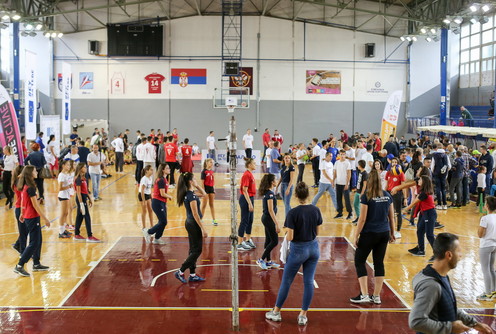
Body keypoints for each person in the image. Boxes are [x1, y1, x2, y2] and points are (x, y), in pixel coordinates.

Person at [409, 233, 492, 334]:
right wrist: (450, 328)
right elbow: (416, 322)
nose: (461, 255)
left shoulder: (441, 276)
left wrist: (474, 324)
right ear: (449, 255)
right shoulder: (431, 286)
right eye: (459, 251)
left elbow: (449, 308)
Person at [265, 182, 322, 326]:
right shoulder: (316, 210)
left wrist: (286, 231)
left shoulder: (292, 213)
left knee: (287, 281)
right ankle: (303, 315)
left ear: (296, 195)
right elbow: (318, 233)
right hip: (313, 248)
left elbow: (290, 237)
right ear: (308, 194)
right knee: (308, 282)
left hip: (298, 250)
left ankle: (276, 312)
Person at [350, 169, 395, 304]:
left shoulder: (366, 196)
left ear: (369, 181)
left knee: (359, 261)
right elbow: (391, 216)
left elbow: (362, 219)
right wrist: (392, 233)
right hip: (383, 233)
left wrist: (356, 235)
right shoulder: (387, 195)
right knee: (379, 263)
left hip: (369, 233)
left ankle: (364, 294)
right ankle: (376, 296)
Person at [13, 165, 51, 277]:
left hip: (28, 216)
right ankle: (19, 265)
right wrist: (46, 218)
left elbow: (23, 201)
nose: (36, 171)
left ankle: (36, 263)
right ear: (30, 173)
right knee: (34, 242)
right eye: (34, 170)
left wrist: (21, 213)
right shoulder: (31, 188)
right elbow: (35, 206)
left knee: (38, 240)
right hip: (33, 217)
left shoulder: (26, 186)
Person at [174, 172, 208, 283]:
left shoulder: (188, 193)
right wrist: (203, 228)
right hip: (193, 224)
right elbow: (195, 214)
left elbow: (204, 194)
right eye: (194, 179)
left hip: (190, 223)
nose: (195, 180)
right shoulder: (191, 196)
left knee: (193, 250)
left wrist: (197, 185)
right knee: (197, 250)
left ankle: (192, 274)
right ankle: (180, 271)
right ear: (190, 181)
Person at [403, 176, 437, 259]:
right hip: (423, 213)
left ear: (424, 182)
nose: (419, 180)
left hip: (429, 213)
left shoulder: (424, 193)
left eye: (420, 179)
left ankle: (438, 254)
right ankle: (421, 250)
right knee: (420, 231)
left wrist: (406, 209)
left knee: (429, 235)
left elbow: (415, 202)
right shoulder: (422, 190)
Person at [142, 164, 173, 244]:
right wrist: (170, 196)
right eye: (167, 168)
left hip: (162, 202)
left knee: (162, 222)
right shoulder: (161, 180)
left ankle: (157, 238)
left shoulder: (165, 179)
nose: (169, 169)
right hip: (157, 202)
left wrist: (165, 203)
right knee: (163, 221)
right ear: (162, 170)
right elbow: (162, 194)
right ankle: (149, 232)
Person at [257, 174, 281, 270]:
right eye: (275, 179)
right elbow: (271, 210)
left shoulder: (268, 192)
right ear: (272, 182)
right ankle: (261, 259)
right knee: (275, 241)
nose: (277, 180)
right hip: (268, 219)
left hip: (266, 219)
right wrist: (277, 224)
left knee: (268, 240)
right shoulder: (270, 194)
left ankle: (269, 261)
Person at [73, 163, 101, 243]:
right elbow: (78, 192)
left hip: (84, 197)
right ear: (80, 168)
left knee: (80, 217)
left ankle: (76, 234)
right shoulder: (78, 179)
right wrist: (81, 204)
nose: (86, 168)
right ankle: (90, 236)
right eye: (84, 167)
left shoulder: (84, 178)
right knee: (87, 216)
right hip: (80, 199)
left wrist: (89, 198)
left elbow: (86, 190)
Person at [477, 196, 496, 301]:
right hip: (494, 245)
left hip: (485, 246)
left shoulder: (484, 218)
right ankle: (494, 291)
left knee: (486, 270)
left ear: (487, 205)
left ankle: (488, 294)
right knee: (492, 268)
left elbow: (480, 235)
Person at [238, 158, 257, 251]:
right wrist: (249, 203)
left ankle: (248, 239)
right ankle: (240, 242)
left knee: (250, 220)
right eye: (254, 163)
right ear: (249, 165)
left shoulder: (250, 174)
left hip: (250, 198)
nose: (255, 164)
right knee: (244, 220)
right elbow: (245, 190)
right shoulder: (246, 175)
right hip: (246, 199)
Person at [385, 157, 405, 239]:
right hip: (389, 194)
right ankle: (391, 229)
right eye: (393, 162)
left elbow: (403, 186)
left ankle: (398, 230)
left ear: (398, 163)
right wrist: (384, 193)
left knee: (398, 212)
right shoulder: (388, 173)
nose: (394, 163)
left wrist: (406, 198)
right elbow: (387, 185)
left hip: (398, 194)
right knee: (390, 213)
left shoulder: (401, 173)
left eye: (395, 162)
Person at [11, 166, 27, 254]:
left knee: (25, 230)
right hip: (20, 208)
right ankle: (23, 252)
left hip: (21, 208)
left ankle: (18, 245)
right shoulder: (19, 183)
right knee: (23, 231)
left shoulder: (18, 182)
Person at [57, 160, 74, 238]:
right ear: (63, 165)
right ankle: (61, 232)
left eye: (69, 165)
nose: (69, 167)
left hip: (66, 195)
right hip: (63, 195)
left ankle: (64, 229)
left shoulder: (66, 174)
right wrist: (68, 186)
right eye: (67, 165)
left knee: (66, 213)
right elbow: (60, 188)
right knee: (62, 213)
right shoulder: (61, 175)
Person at [334, 149, 352, 219]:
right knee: (338, 199)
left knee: (347, 199)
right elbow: (335, 172)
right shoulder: (336, 163)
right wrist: (333, 181)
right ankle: (340, 212)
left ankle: (350, 212)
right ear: (339, 155)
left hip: (345, 184)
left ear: (345, 155)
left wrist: (347, 184)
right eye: (341, 154)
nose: (342, 156)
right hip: (338, 183)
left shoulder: (347, 163)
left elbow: (349, 174)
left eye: (343, 154)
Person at [200, 158, 217, 226]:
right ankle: (200, 219)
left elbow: (213, 181)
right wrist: (203, 192)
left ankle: (214, 219)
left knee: (211, 204)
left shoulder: (212, 171)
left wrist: (214, 189)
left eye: (212, 162)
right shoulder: (204, 172)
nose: (212, 164)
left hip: (211, 189)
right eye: (210, 162)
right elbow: (202, 183)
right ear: (207, 163)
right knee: (204, 205)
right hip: (206, 189)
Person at [138, 165, 154, 229]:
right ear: (147, 171)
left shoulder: (150, 178)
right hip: (142, 195)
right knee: (144, 211)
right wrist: (144, 201)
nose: (152, 171)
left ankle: (152, 225)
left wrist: (151, 196)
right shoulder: (144, 179)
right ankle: (144, 227)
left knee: (150, 210)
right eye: (151, 170)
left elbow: (149, 189)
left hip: (148, 195)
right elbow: (142, 190)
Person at [352, 160, 368, 225]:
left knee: (360, 206)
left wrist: (362, 193)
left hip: (361, 192)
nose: (357, 166)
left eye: (358, 165)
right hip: (358, 191)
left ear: (360, 165)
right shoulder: (360, 172)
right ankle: (358, 217)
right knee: (355, 204)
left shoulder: (365, 173)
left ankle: (361, 219)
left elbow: (365, 184)